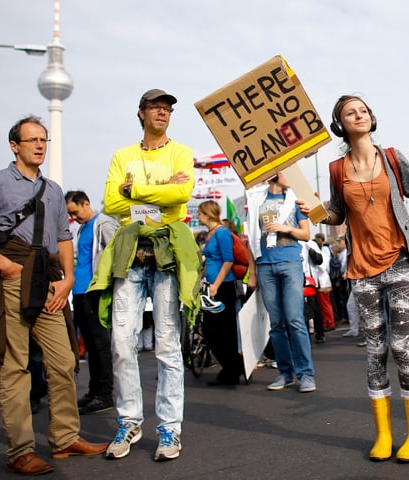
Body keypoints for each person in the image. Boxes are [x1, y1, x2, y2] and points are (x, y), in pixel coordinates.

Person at [298, 95, 409, 462]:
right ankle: (383, 435)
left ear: (370, 118)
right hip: (362, 270)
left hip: (401, 263)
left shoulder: (390, 157)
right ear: (340, 124)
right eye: (349, 112)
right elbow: (337, 215)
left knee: (401, 347)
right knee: (375, 352)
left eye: (362, 110)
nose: (358, 115)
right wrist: (313, 210)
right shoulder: (336, 168)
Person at [0, 116, 107, 475]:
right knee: (16, 366)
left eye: (44, 140)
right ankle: (21, 450)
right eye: (32, 140)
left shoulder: (54, 190)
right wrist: (6, 267)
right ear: (15, 145)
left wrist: (69, 278)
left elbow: (62, 238)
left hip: (50, 279)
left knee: (64, 361)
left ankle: (64, 438)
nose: (40, 145)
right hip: (13, 274)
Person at [98, 89, 201, 461]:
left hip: (166, 250)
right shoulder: (122, 155)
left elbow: (184, 193)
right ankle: (129, 421)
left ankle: (170, 429)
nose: (163, 112)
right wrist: (162, 190)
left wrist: (135, 189)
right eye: (156, 107)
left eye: (168, 108)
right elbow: (110, 203)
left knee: (168, 345)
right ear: (141, 113)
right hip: (129, 250)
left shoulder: (181, 152)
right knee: (122, 343)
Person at [246, 172, 316, 393]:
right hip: (265, 266)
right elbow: (250, 238)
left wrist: (286, 228)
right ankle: (285, 373)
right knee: (276, 324)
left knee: (295, 320)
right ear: (274, 176)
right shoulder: (257, 201)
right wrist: (253, 272)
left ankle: (306, 374)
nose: (291, 175)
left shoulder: (295, 200)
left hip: (290, 263)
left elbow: (306, 234)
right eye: (286, 171)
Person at [65, 190, 118, 414]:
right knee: (90, 345)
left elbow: (116, 254)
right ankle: (94, 391)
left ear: (86, 203)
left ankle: (105, 394)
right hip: (80, 291)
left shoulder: (103, 223)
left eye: (75, 212)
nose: (74, 218)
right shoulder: (83, 228)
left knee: (100, 345)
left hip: (94, 291)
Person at [198, 200, 244, 386]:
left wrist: (215, 284)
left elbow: (228, 260)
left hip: (223, 286)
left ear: (208, 214)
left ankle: (233, 368)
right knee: (210, 330)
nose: (198, 216)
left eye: (200, 213)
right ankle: (231, 367)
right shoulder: (210, 234)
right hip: (212, 285)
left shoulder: (222, 232)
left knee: (223, 330)